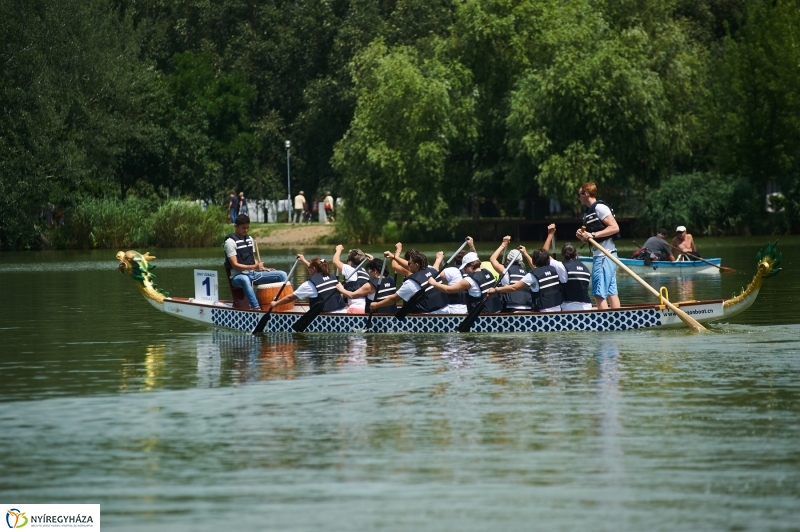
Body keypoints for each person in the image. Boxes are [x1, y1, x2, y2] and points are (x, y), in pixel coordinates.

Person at [224, 214, 288, 310]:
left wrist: (263, 268)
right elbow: (235, 265)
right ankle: (256, 308)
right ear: (236, 226)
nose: (246, 230)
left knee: (282, 275)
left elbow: (252, 259)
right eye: (243, 228)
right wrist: (254, 267)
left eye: (247, 228)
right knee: (245, 279)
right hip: (237, 277)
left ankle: (282, 305)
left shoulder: (249, 239)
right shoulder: (230, 242)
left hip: (253, 274)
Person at [575, 182, 621, 309]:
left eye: (579, 195)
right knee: (611, 292)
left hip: (604, 255)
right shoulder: (588, 212)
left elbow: (615, 227)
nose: (578, 198)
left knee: (598, 293)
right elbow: (591, 237)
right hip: (606, 254)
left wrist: (593, 234)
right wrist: (583, 236)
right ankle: (617, 319)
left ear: (586, 194)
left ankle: (605, 324)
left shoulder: (599, 207)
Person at [370, 251, 450, 314]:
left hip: (430, 315)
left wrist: (376, 305)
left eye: (409, 263)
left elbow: (394, 299)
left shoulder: (411, 283)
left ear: (416, 265)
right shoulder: (433, 269)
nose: (407, 265)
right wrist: (394, 257)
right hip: (446, 310)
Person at [426, 252, 503, 313]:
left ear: (471, 265)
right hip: (497, 311)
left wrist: (434, 283)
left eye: (465, 267)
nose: (464, 270)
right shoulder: (487, 272)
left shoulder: (469, 280)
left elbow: (448, 290)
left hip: (483, 316)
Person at [493, 248, 567, 312]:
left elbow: (514, 287)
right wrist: (525, 253)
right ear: (548, 260)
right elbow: (536, 268)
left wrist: (496, 289)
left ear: (534, 262)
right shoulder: (554, 270)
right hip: (558, 308)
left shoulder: (532, 275)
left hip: (543, 310)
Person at [270, 255, 347, 313]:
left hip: (326, 315)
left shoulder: (309, 284)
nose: (308, 271)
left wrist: (275, 303)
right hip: (343, 311)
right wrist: (303, 260)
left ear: (313, 269)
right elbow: (314, 269)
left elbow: (290, 297)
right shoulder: (331, 276)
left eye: (309, 269)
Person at [333, 245, 372, 314]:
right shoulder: (365, 272)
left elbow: (335, 261)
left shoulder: (350, 269)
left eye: (347, 261)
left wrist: (338, 250)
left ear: (350, 262)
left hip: (355, 310)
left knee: (332, 311)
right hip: (365, 309)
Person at [559, 242, 592, 311]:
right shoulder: (586, 268)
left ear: (562, 255)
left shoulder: (562, 267)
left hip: (568, 307)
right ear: (576, 253)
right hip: (587, 306)